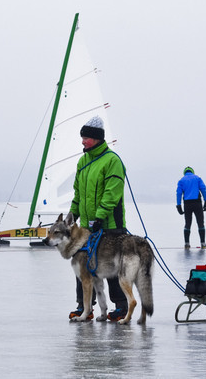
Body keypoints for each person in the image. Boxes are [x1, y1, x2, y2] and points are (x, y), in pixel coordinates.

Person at [67, 116, 129, 322]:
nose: (83, 141)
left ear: (97, 139)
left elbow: (112, 193)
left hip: (110, 226)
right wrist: (72, 214)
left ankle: (121, 306)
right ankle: (84, 306)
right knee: (82, 265)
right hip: (86, 228)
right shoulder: (83, 161)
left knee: (111, 267)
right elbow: (78, 194)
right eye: (82, 137)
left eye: (86, 138)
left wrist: (100, 217)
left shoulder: (112, 161)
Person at [175, 166, 206, 249]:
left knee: (187, 224)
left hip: (187, 204)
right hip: (197, 203)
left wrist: (178, 205)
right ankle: (203, 243)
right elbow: (203, 189)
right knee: (200, 223)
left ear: (184, 172)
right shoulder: (197, 178)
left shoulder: (181, 180)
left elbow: (179, 193)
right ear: (192, 172)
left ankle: (187, 244)